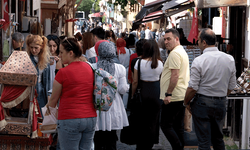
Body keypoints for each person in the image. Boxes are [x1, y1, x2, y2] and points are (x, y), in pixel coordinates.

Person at [183, 28, 236, 150]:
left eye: (198, 40)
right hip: (220, 102)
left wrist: (186, 102)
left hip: (203, 103)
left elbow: (192, 88)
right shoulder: (229, 59)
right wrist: (221, 94)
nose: (197, 43)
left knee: (204, 141)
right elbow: (231, 86)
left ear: (204, 42)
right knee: (218, 139)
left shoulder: (199, 60)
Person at [47, 38, 97, 150]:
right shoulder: (89, 68)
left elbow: (53, 101)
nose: (59, 55)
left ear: (70, 53)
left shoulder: (63, 73)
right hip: (90, 117)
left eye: (61, 52)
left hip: (69, 117)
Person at [93, 42, 129, 150]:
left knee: (97, 139)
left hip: (97, 104)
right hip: (113, 104)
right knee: (112, 138)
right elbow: (122, 90)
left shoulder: (93, 67)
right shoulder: (120, 68)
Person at [160, 28, 190, 150]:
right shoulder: (180, 51)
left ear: (177, 39)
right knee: (178, 126)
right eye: (165, 39)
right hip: (180, 95)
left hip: (173, 96)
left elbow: (175, 75)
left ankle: (177, 147)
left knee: (165, 125)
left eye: (169, 39)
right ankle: (179, 148)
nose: (166, 42)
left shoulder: (174, 54)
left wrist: (168, 94)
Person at [131, 39, 163, 150]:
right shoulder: (160, 63)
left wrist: (132, 95)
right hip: (156, 92)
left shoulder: (139, 62)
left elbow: (135, 82)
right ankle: (150, 143)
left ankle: (141, 145)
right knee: (153, 121)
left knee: (141, 121)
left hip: (142, 93)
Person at [26, 34, 51, 111]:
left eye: (36, 48)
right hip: (30, 90)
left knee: (41, 114)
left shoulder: (46, 60)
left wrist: (49, 95)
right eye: (31, 48)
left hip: (42, 90)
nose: (33, 50)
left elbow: (48, 80)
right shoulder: (27, 58)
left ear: (41, 47)